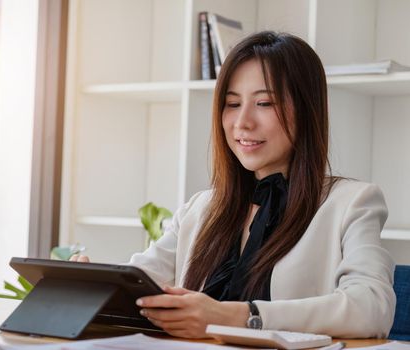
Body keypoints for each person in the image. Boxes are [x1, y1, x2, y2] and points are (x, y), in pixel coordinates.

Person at [71, 31, 395, 339]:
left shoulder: (351, 203)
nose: (242, 123)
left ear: (307, 110)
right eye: (232, 103)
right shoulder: (201, 208)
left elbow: (371, 308)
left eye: (265, 103)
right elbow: (140, 285)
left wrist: (238, 316)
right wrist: (92, 285)